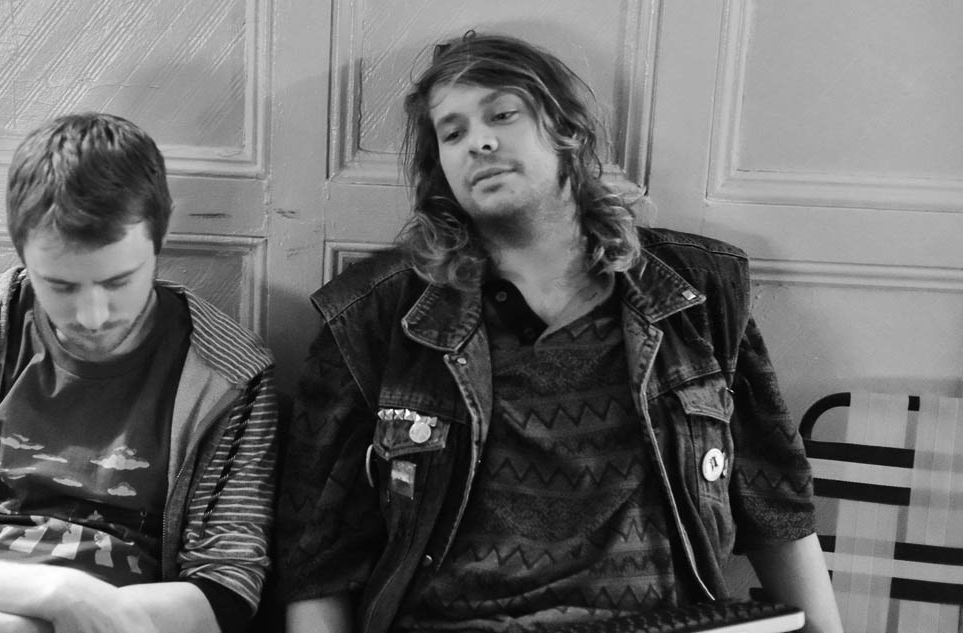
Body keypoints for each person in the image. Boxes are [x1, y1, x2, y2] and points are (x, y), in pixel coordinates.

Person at [277, 32, 843, 633]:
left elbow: (777, 509)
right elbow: (318, 560)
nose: (479, 142)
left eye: (502, 114)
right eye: (453, 133)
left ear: (566, 128)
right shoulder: (373, 314)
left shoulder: (696, 292)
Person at [0, 112, 279, 633]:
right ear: (20, 250)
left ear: (160, 236)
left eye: (119, 281)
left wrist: (26, 629)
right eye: (61, 286)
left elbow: (225, 591)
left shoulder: (228, 373)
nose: (92, 317)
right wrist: (60, 594)